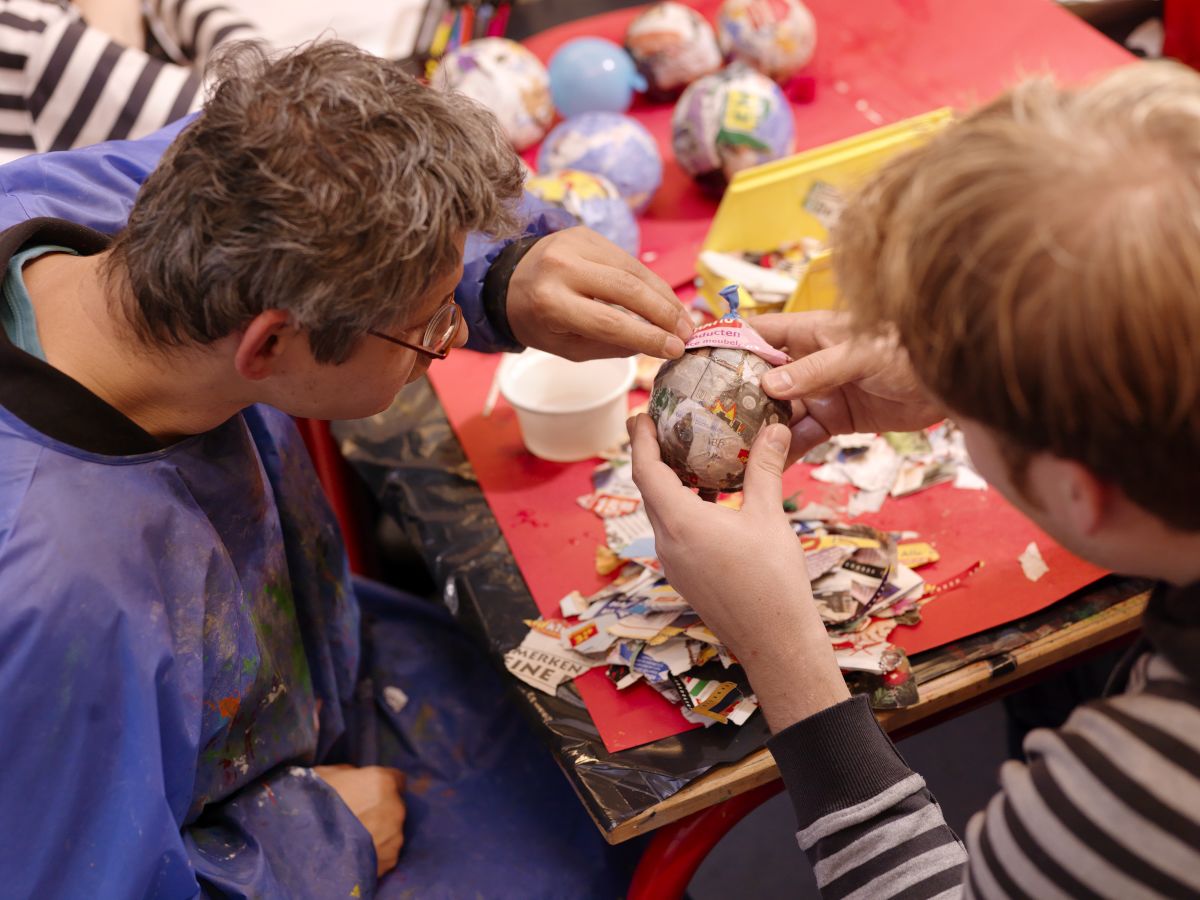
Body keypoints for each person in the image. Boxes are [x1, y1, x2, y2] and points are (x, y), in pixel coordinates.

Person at [0, 40, 688, 897]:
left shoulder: (137, 199)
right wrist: (304, 848)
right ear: (272, 342)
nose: (445, 343)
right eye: (428, 330)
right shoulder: (52, 599)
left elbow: (326, 170)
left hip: (308, 666)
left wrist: (498, 272)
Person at [630, 60, 1200, 898]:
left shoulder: (1130, 797)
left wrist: (786, 654)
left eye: (967, 409)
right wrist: (960, 368)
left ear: (1081, 493)